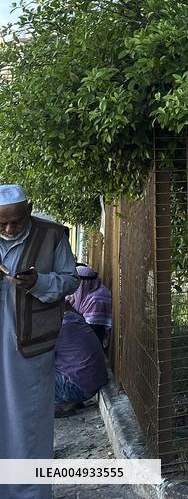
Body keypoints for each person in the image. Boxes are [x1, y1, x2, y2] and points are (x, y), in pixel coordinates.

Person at [0, 185, 80, 499]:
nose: (9, 228)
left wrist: (39, 282)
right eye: (1, 223)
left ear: (29, 211)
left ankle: (28, 493)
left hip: (30, 345)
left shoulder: (51, 235)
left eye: (16, 221)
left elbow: (70, 279)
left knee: (28, 420)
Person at [53, 300, 108, 417]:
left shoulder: (57, 326)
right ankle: (69, 403)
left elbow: (40, 360)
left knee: (31, 375)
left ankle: (60, 406)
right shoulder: (73, 317)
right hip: (95, 383)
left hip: (78, 389)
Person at [68, 265, 112, 346]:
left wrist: (70, 310)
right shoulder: (85, 294)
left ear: (82, 283)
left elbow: (91, 332)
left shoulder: (97, 299)